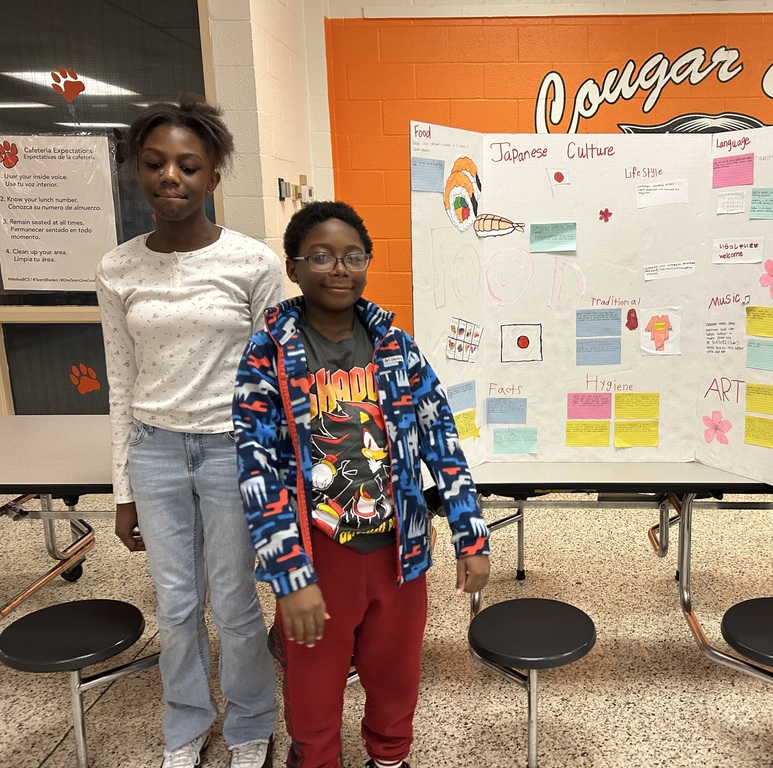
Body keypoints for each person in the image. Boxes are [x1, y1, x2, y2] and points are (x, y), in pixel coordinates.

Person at [232, 200, 490, 768]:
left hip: (400, 551)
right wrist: (290, 577)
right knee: (314, 686)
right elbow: (256, 468)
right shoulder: (266, 355)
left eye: (353, 256)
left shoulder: (397, 348)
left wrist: (470, 534)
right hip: (320, 556)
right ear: (293, 267)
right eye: (320, 257)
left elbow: (440, 439)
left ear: (368, 263)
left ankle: (389, 756)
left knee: (395, 674)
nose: (339, 268)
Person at [96, 95, 282, 768]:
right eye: (154, 163)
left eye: (188, 165)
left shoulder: (254, 265)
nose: (169, 177)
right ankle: (184, 725)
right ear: (137, 171)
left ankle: (251, 723)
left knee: (234, 602)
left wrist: (277, 481)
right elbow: (120, 383)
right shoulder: (117, 269)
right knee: (175, 607)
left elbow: (276, 382)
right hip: (155, 453)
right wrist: (122, 490)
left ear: (213, 177)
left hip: (234, 453)